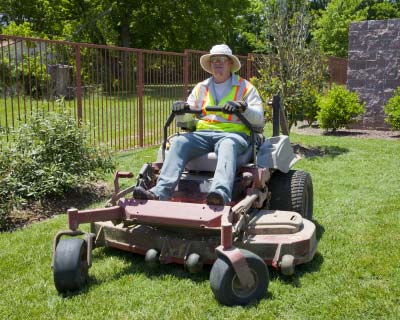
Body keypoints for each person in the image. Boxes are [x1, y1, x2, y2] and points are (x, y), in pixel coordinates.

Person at [133, 44, 265, 206]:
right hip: (202, 134)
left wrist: (243, 108)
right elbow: (187, 124)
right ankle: (159, 193)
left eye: (222, 59)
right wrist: (181, 111)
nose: (218, 63)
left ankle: (219, 193)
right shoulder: (200, 88)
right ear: (210, 65)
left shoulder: (246, 88)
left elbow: (259, 119)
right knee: (180, 142)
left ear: (231, 63)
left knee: (227, 145)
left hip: (233, 135)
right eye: (214, 60)